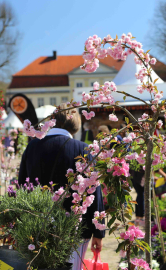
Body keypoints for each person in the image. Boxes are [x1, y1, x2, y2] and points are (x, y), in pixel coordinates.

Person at [18, 103, 105, 270]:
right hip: (76, 227)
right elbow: (96, 192)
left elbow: (22, 185)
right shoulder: (84, 149)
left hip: (37, 223)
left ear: (52, 121)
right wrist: (99, 233)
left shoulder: (32, 147)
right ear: (76, 124)